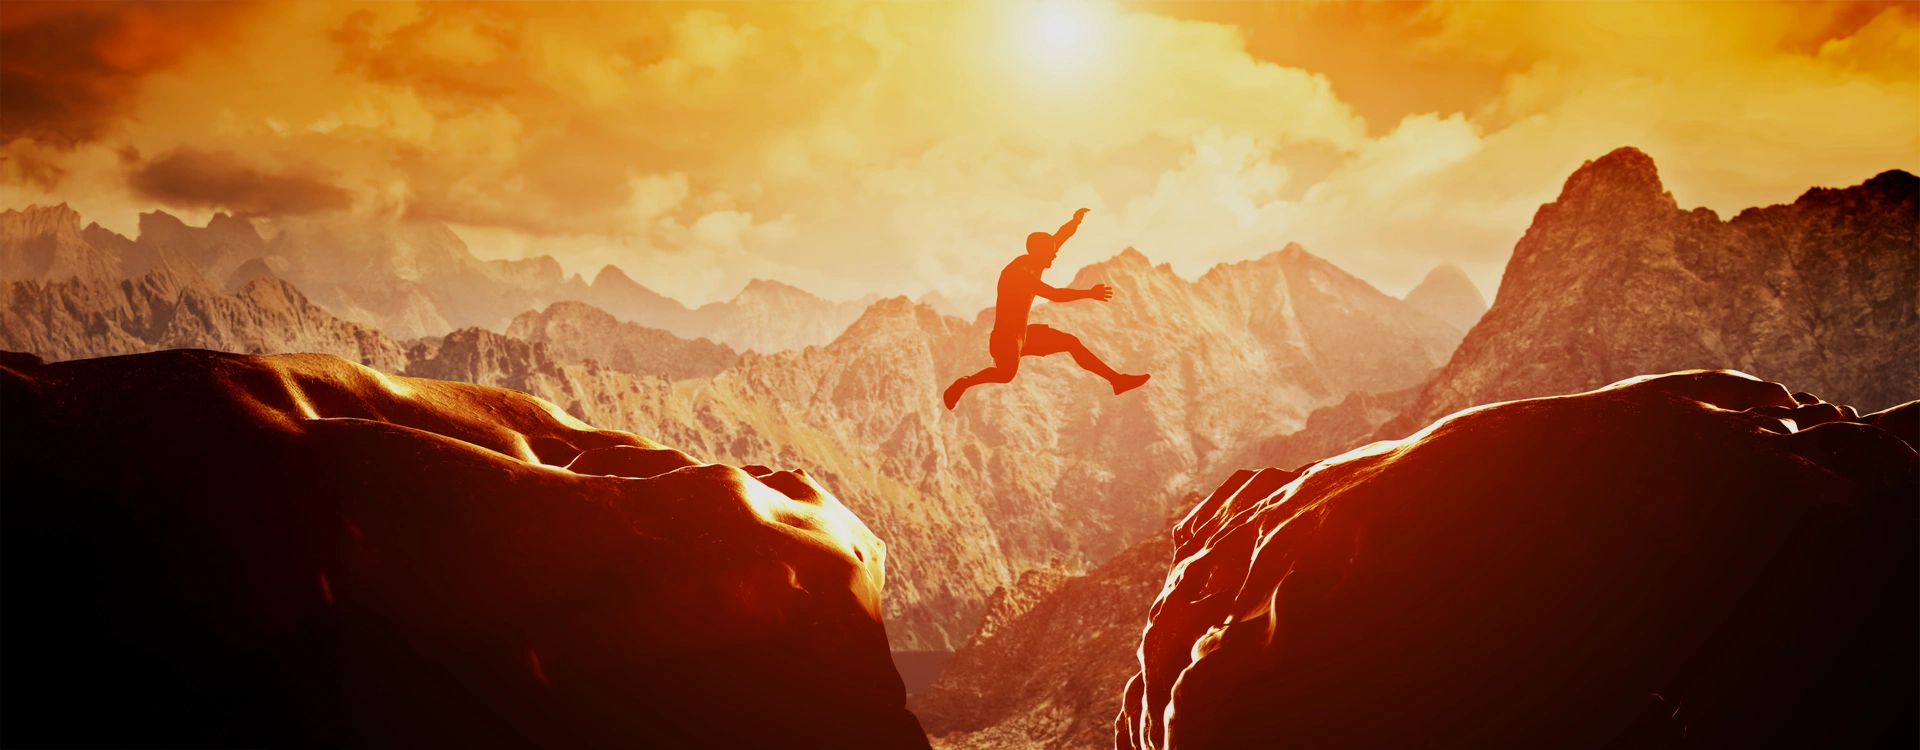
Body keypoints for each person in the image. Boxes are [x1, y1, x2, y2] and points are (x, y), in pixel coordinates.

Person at [944, 208, 1150, 409]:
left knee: (1071, 343)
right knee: (1005, 375)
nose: (1055, 256)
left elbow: (1060, 237)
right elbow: (1055, 295)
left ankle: (1117, 381)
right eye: (1051, 253)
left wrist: (1075, 221)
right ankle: (963, 383)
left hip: (1023, 335)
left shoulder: (1037, 259)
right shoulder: (1019, 274)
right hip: (1005, 339)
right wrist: (1089, 293)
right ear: (1039, 252)